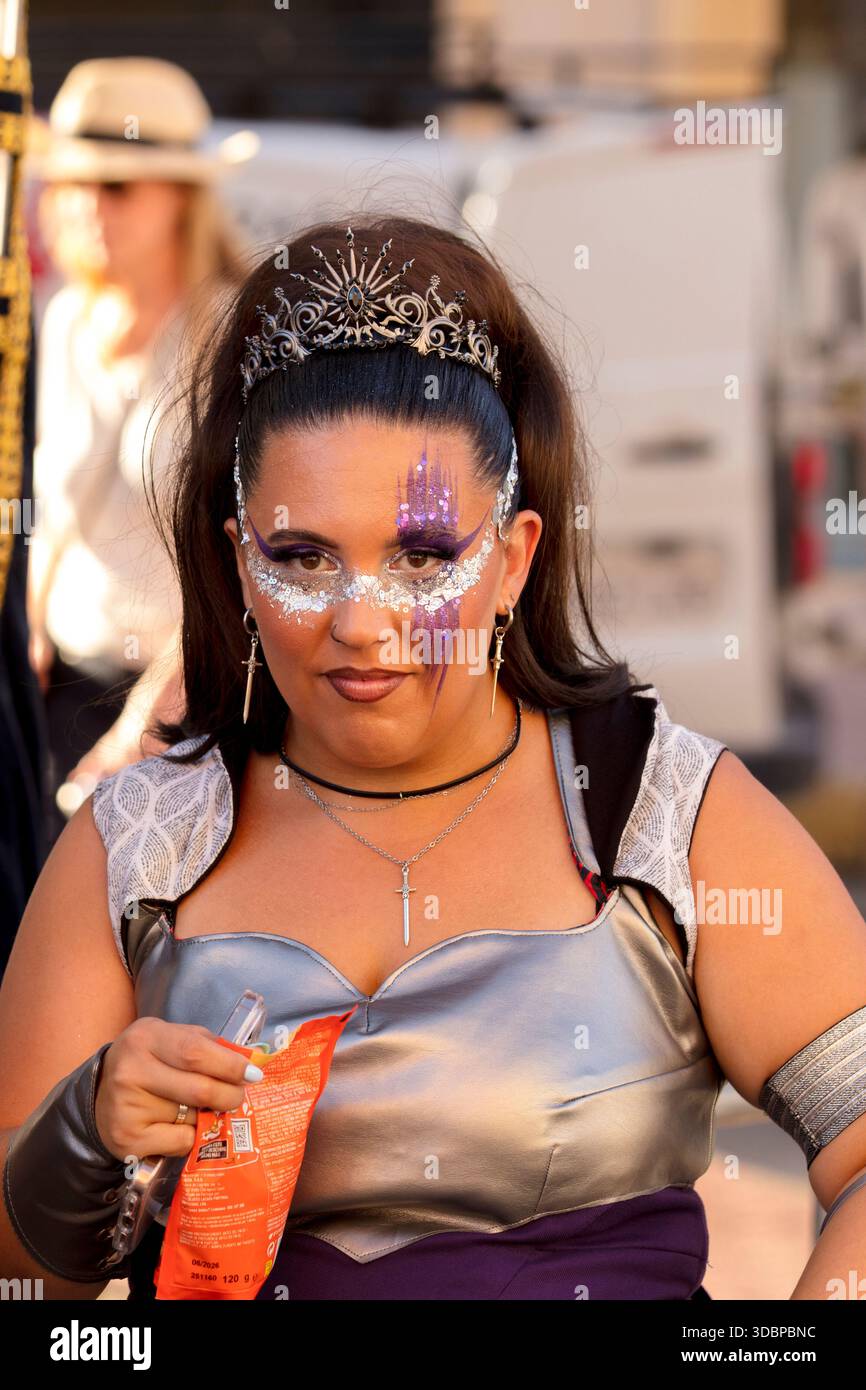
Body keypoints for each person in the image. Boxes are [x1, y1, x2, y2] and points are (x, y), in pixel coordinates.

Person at [1, 216, 865, 1301]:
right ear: (236, 562)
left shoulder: (660, 812)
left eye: (419, 557)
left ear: (511, 559)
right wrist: (86, 1134)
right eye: (303, 558)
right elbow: (31, 1279)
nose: (362, 623)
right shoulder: (131, 848)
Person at [26, 57, 249, 843]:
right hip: (62, 687)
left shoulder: (228, 335)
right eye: (71, 182)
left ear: (183, 198)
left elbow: (239, 558)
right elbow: (49, 509)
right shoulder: (61, 320)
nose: (88, 206)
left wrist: (143, 727)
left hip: (187, 698)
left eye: (117, 185)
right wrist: (25, 645)